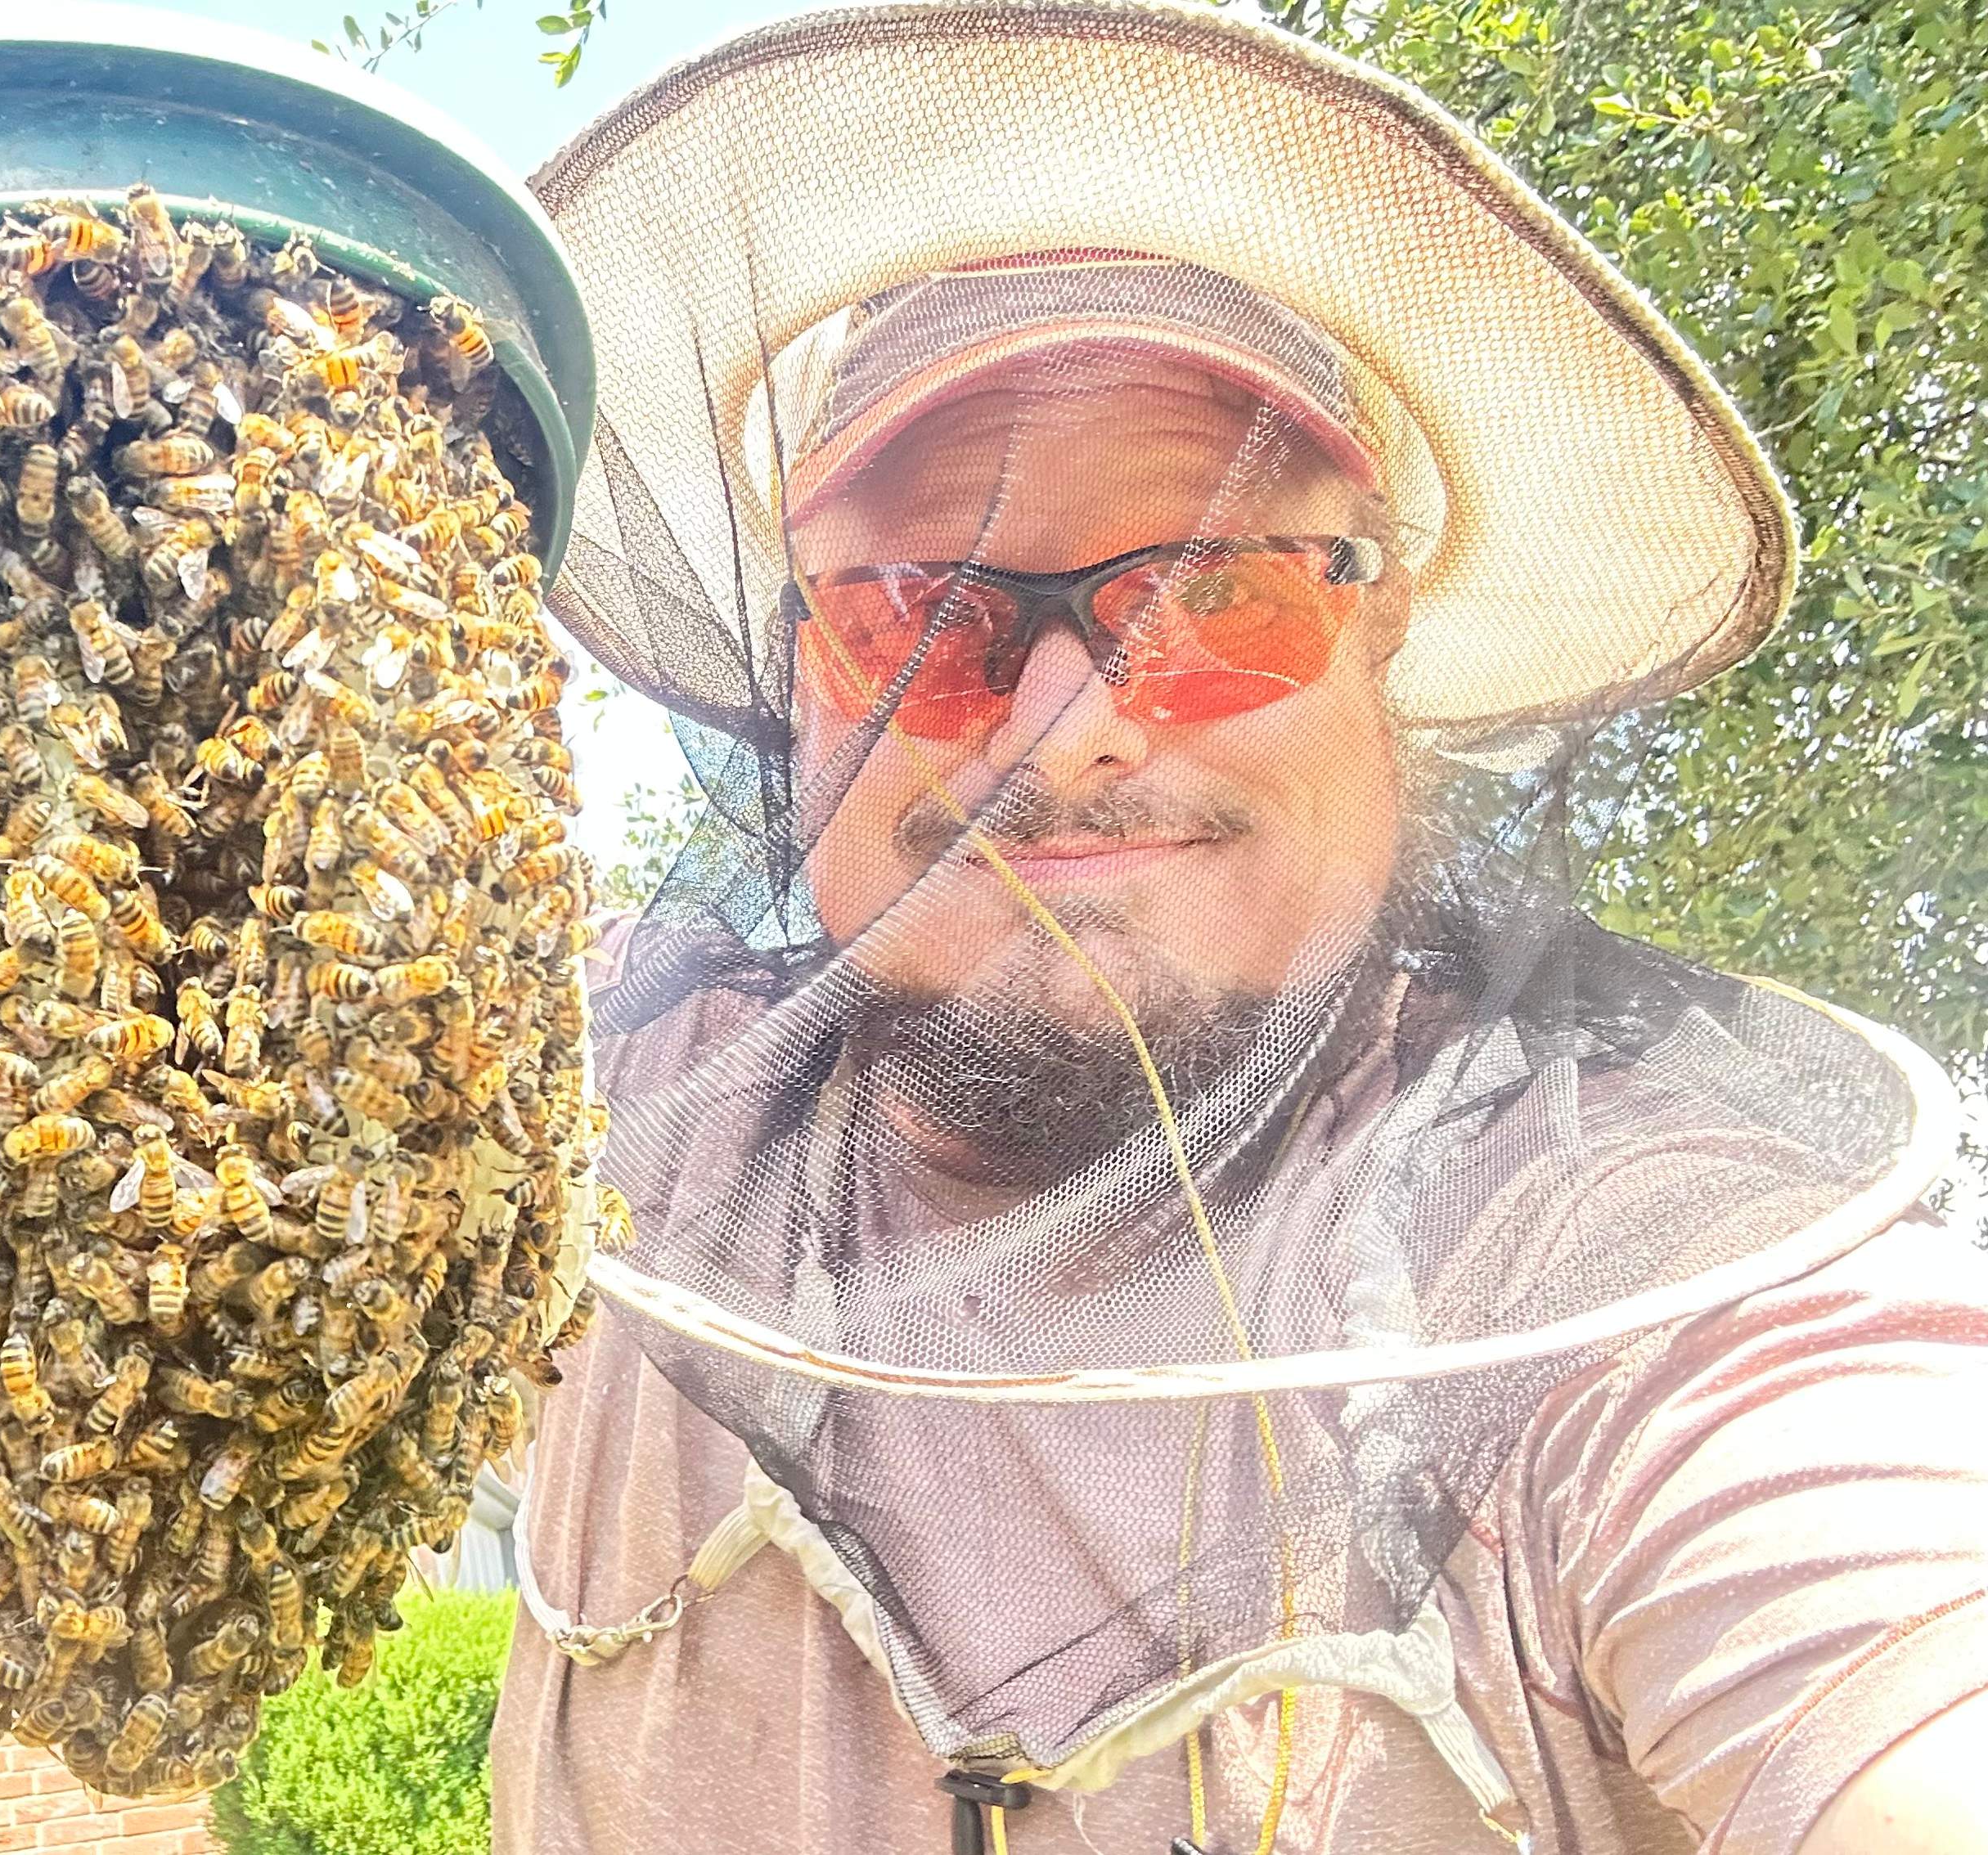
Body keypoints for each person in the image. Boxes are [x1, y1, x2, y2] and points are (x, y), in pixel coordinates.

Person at [494, 6, 1988, 1852]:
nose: (1070, 721)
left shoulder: (1633, 1286)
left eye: (1216, 592)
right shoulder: (582, 1117)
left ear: (1378, 646)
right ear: (801, 679)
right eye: (922, 610)